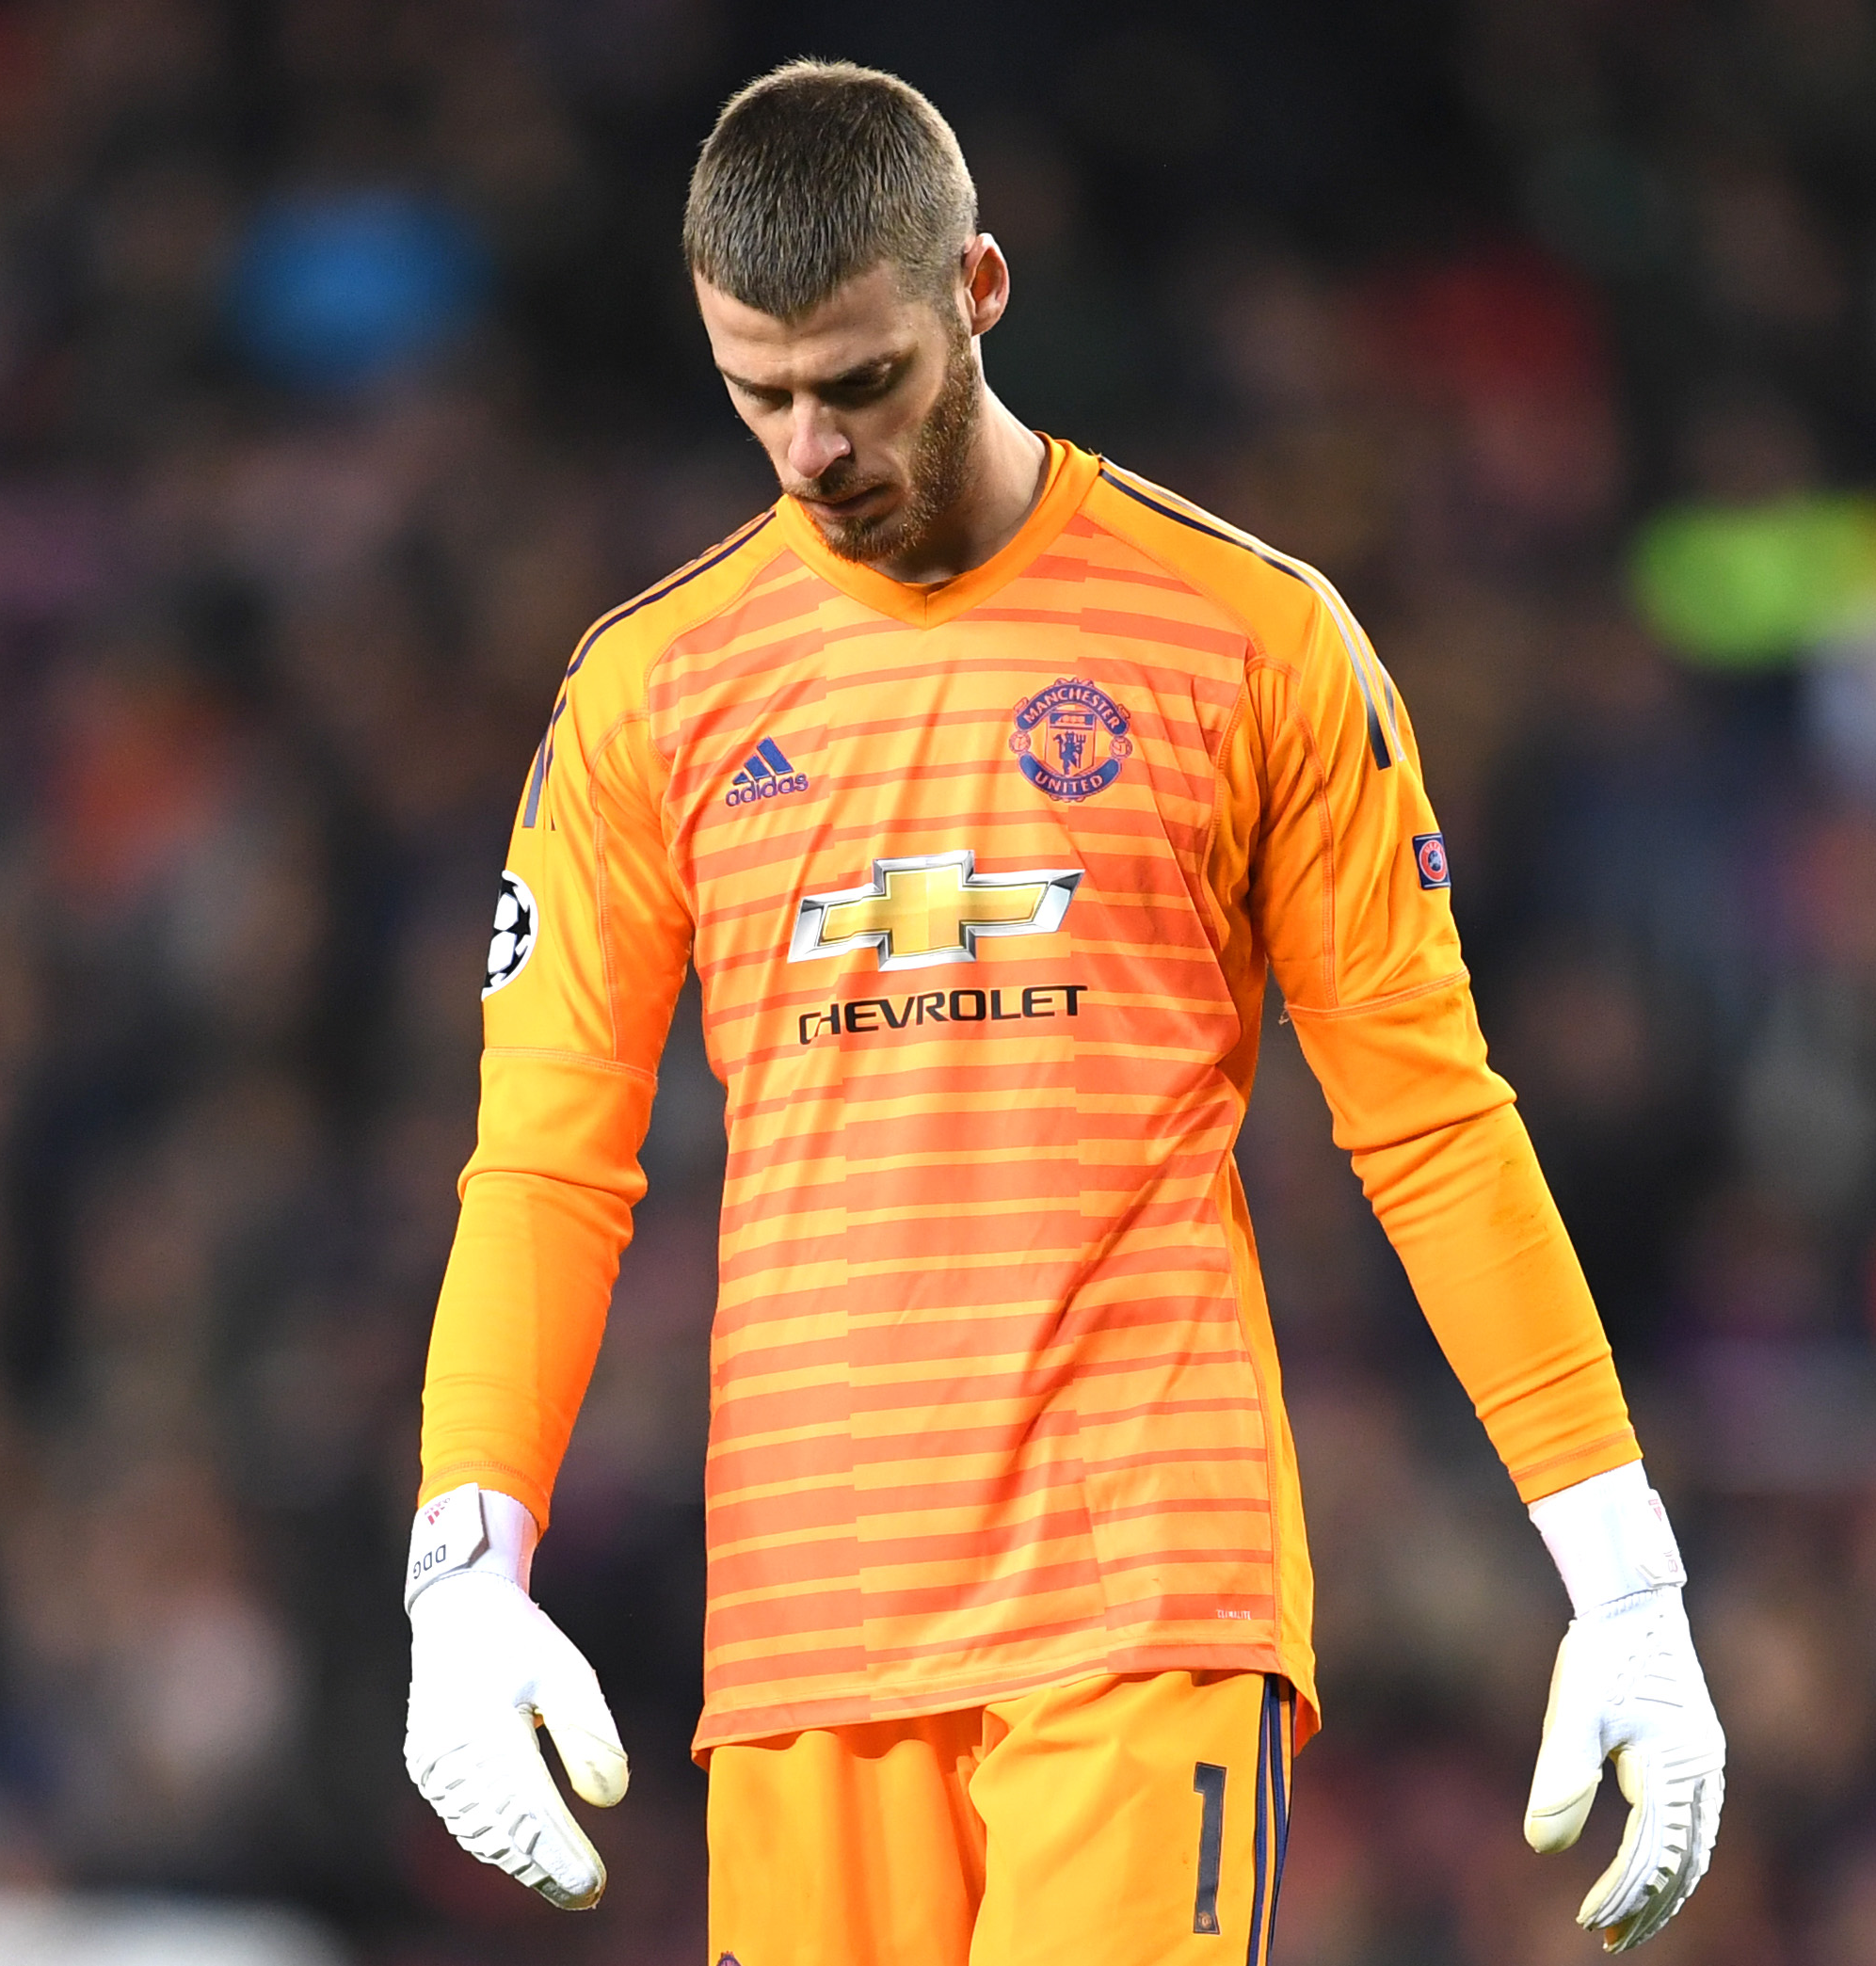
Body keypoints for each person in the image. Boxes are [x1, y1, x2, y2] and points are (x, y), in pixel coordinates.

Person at [400, 59, 1724, 1964]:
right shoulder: (648, 694)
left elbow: (1433, 1126)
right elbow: (544, 1164)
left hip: (1144, 1586)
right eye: (758, 394)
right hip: (805, 1610)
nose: (811, 450)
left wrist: (1624, 1575)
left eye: (863, 382)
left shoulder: (1254, 643)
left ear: (981, 291)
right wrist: (464, 1563)